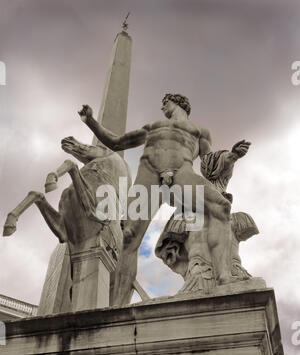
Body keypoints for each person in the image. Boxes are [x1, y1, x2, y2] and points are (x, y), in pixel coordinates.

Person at [78, 93, 250, 305]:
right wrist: (91, 122)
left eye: (165, 102)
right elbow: (116, 142)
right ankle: (116, 307)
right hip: (150, 173)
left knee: (221, 207)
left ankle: (224, 278)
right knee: (129, 236)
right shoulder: (153, 126)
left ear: (178, 102)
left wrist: (232, 156)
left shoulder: (199, 131)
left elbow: (209, 165)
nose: (162, 107)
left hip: (181, 172)